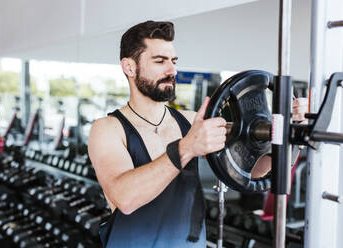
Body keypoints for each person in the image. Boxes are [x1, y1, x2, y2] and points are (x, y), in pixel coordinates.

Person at [88, 21, 307, 248]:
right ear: (129, 67)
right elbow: (125, 199)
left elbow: (250, 170)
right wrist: (186, 148)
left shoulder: (190, 121)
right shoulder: (107, 128)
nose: (172, 70)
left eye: (173, 61)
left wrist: (287, 130)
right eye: (160, 61)